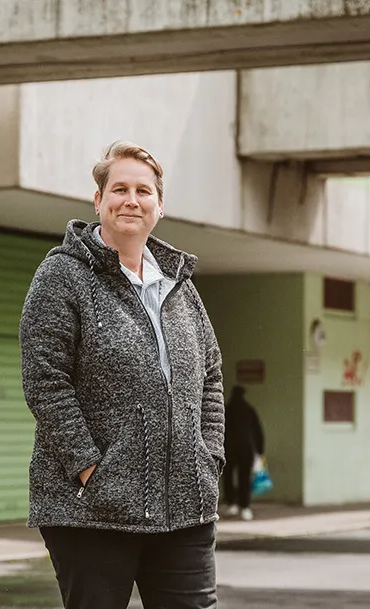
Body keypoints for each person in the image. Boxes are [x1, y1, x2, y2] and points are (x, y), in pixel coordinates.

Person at [19, 141, 225, 609]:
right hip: (92, 512)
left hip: (184, 507)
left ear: (159, 205)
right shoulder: (63, 276)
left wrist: (208, 457)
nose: (132, 200)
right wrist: (92, 470)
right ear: (99, 201)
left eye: (143, 191)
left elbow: (211, 375)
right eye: (119, 189)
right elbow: (45, 382)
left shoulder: (180, 286)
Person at [223, 385, 264, 521]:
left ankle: (231, 503)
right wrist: (260, 450)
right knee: (244, 478)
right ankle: (245, 506)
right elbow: (258, 431)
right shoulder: (249, 410)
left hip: (228, 450)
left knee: (228, 477)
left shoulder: (227, 410)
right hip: (246, 450)